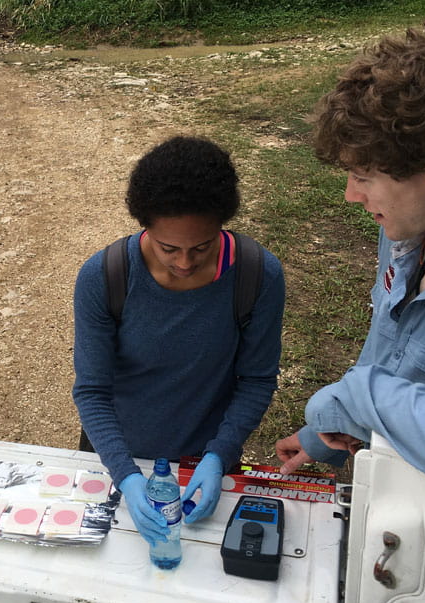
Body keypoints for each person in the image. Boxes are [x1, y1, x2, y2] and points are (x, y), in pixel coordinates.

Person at [274, 24, 425, 562]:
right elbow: (394, 347)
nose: (352, 196)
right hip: (400, 512)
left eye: (364, 176)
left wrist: (353, 398)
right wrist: (332, 431)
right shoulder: (409, 228)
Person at [73, 136, 285, 545]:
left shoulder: (257, 276)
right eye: (169, 248)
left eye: (202, 247)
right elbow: (93, 391)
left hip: (204, 464)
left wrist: (219, 456)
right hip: (117, 458)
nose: (185, 263)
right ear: (144, 225)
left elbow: (257, 380)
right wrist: (127, 476)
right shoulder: (104, 277)